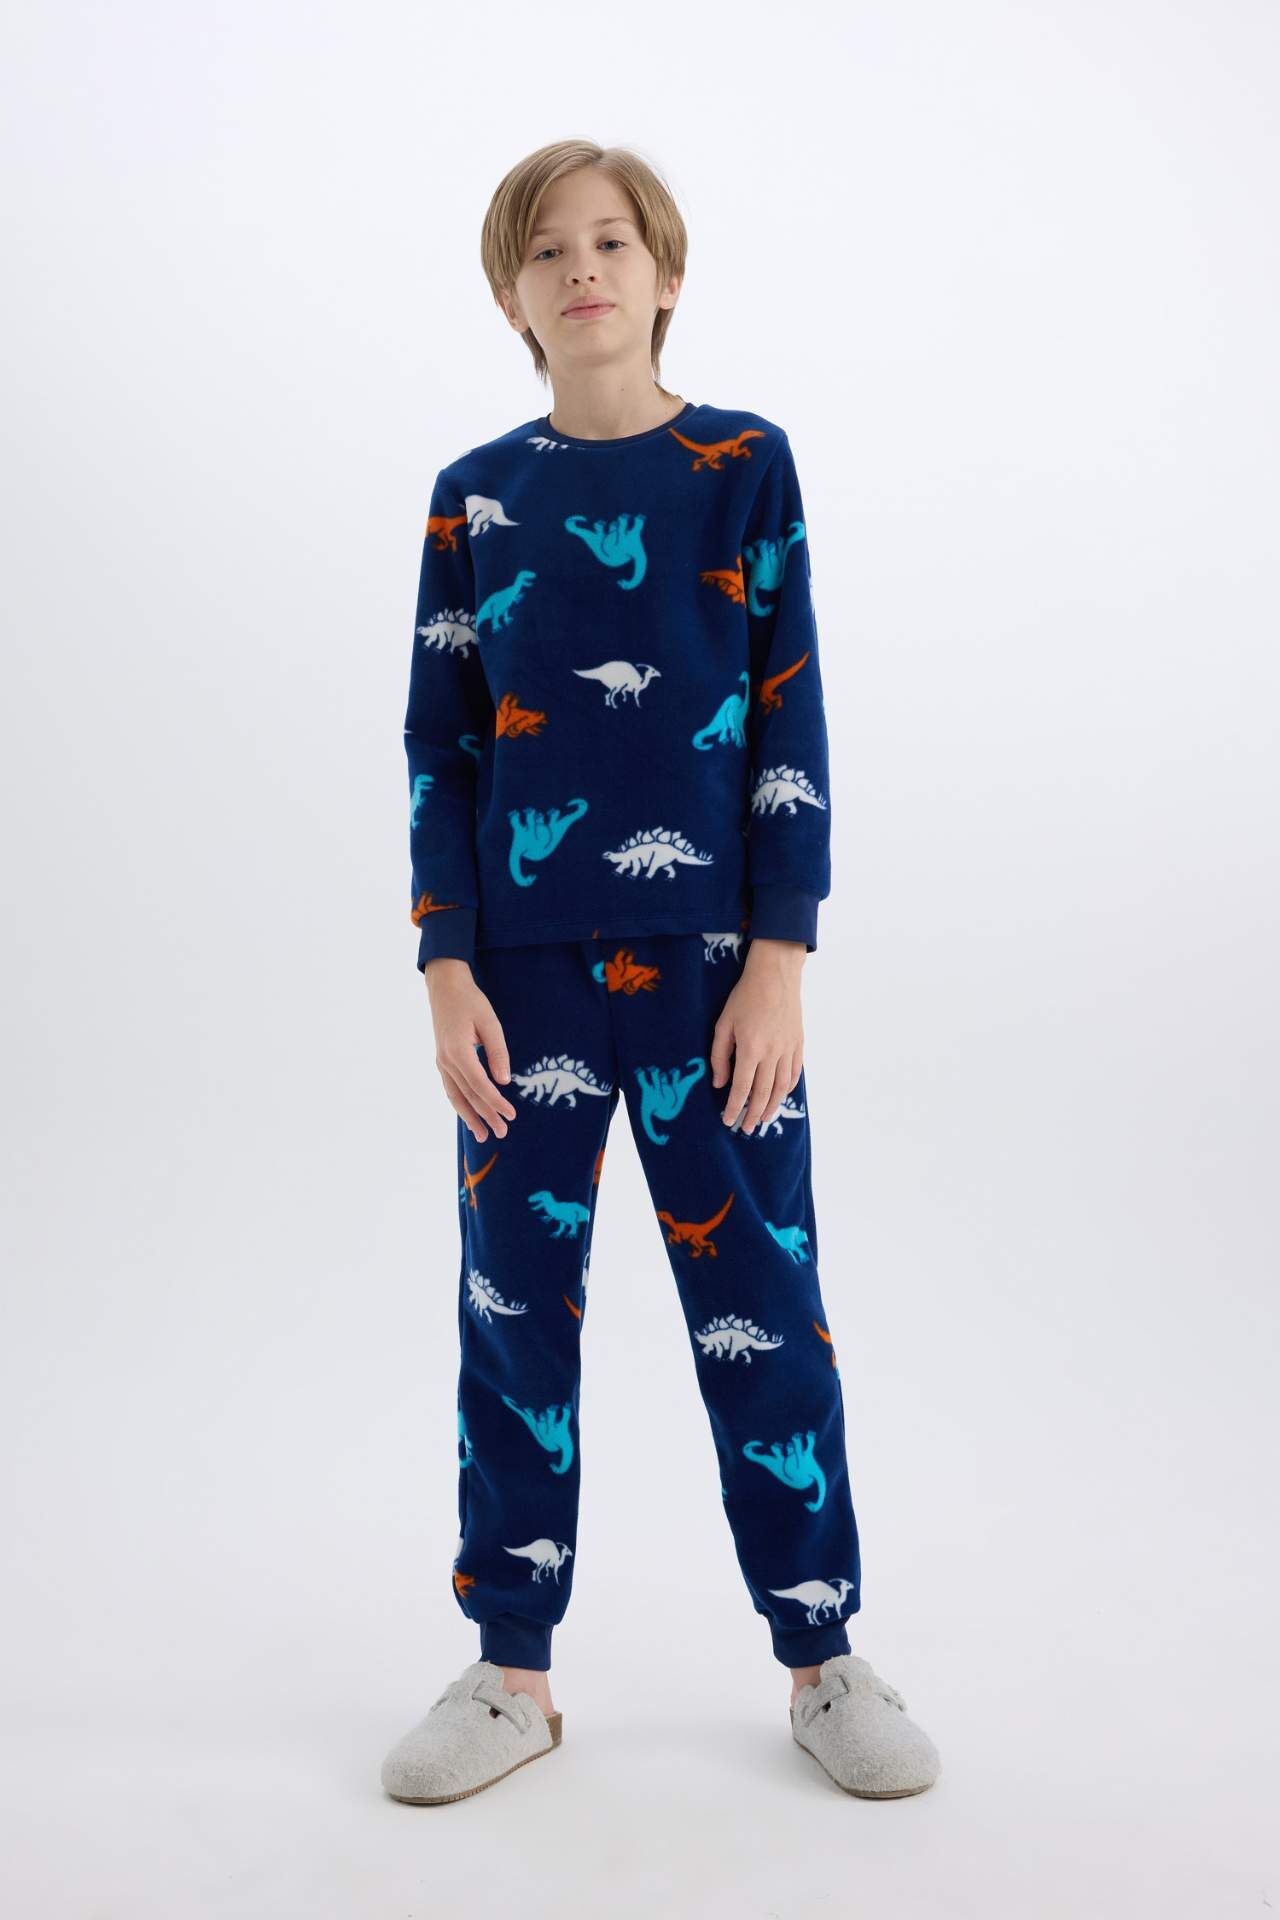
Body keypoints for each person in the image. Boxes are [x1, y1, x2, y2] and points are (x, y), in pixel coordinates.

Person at [380, 139, 941, 1805]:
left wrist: (780, 956)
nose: (582, 269)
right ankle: (511, 1671)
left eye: (612, 241)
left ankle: (822, 1652)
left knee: (764, 1307)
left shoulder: (741, 467)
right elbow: (441, 741)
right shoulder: (474, 494)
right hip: (520, 982)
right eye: (547, 249)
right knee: (512, 1313)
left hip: (712, 976)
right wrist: (445, 965)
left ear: (666, 273)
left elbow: (788, 709)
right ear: (510, 294)